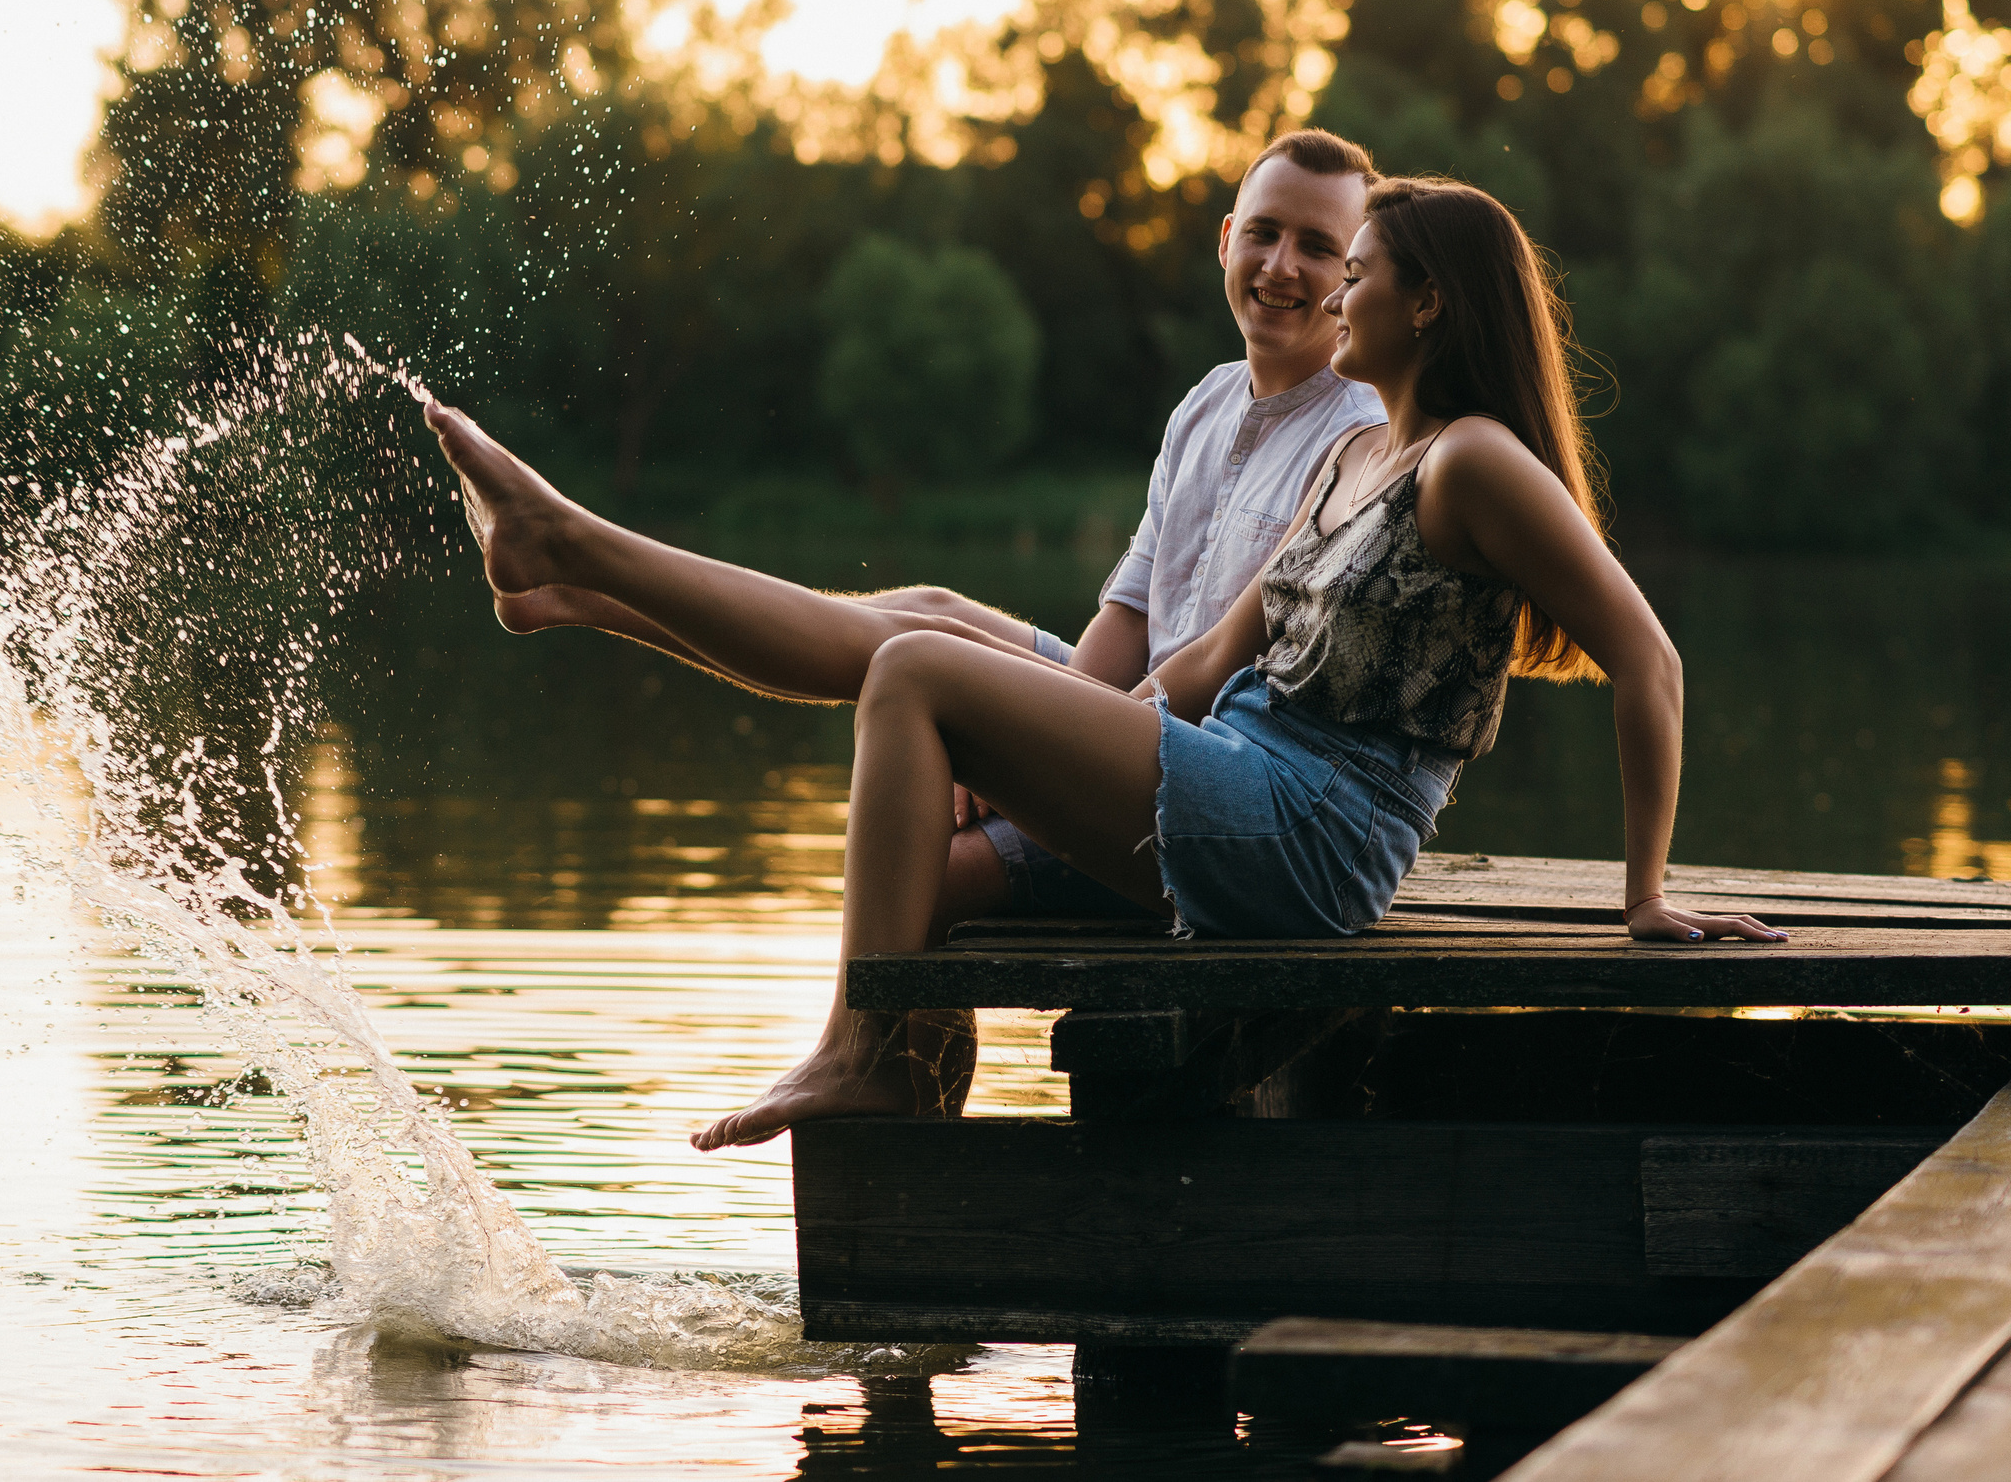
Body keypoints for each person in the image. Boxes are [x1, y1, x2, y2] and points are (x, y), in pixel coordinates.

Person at [422, 173, 1788, 1155]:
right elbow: (1199, 662)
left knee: (912, 671)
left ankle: (863, 1057)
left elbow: (1647, 659)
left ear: (1425, 302)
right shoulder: (1359, 448)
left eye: (1356, 266)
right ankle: (594, 580)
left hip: (1316, 833)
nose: (1336, 289)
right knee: (927, 693)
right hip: (1237, 766)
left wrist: (1647, 894)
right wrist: (1043, 752)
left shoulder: (1473, 458)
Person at [502, 128, 1389, 929]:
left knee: (921, 865)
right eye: (1266, 233)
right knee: (925, 608)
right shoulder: (1204, 403)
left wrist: (1023, 759)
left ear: (1353, 278)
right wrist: (1031, 742)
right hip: (1138, 718)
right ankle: (594, 591)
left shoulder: (1360, 434)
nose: (1283, 265)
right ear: (1226, 240)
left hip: (1213, 785)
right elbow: (1126, 622)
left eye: (1319, 248)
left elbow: (1215, 673)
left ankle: (889, 1064)